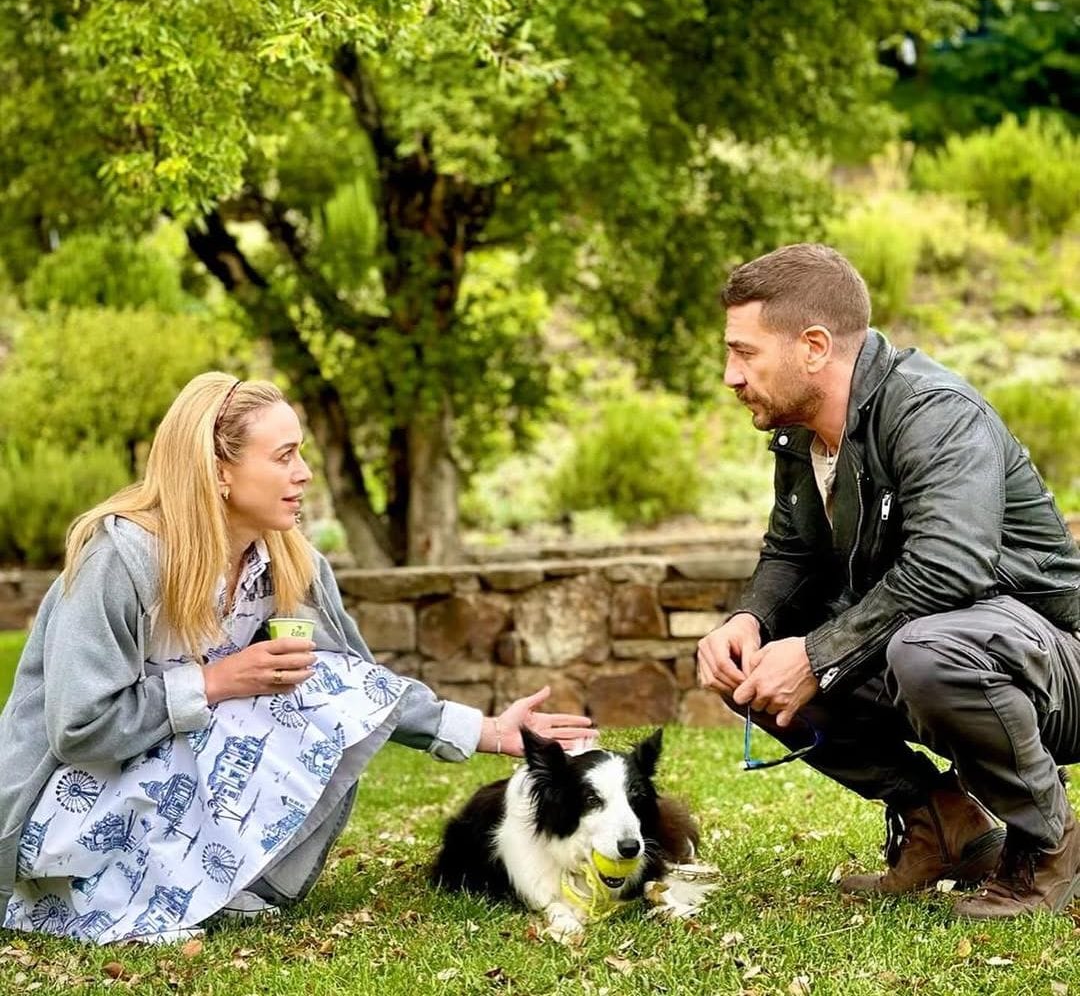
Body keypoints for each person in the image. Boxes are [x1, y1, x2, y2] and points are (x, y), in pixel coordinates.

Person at [0, 373, 595, 944]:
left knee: (317, 678)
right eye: (284, 456)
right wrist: (211, 682)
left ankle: (196, 887)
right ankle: (91, 902)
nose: (305, 473)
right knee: (264, 689)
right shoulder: (122, 558)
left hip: (145, 786)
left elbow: (358, 686)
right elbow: (78, 727)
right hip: (57, 809)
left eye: (301, 453)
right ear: (218, 470)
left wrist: (487, 731)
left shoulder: (289, 562)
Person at [697, 243, 1080, 919]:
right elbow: (793, 552)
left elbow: (951, 565)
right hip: (951, 653)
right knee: (750, 663)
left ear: (814, 347)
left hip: (1054, 667)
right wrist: (748, 623)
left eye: (745, 353)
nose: (731, 375)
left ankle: (1048, 844)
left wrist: (817, 655)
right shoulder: (803, 436)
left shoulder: (934, 412)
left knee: (925, 648)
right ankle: (943, 825)